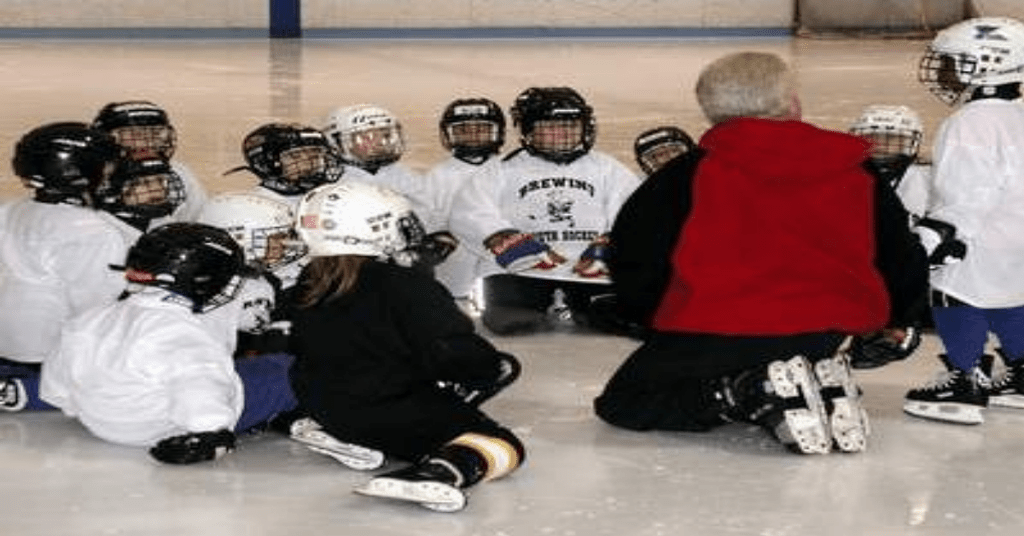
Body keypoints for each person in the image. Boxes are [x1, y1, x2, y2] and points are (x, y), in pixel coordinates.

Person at [595, 51, 889, 455]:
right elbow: (896, 249)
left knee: (626, 403)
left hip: (718, 326)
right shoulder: (854, 164)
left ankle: (749, 392)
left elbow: (634, 256)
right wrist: (894, 321)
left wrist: (654, 322)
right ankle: (809, 383)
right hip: (828, 329)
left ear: (711, 113)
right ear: (792, 104)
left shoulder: (684, 176)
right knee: (777, 347)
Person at [289, 181, 524, 512]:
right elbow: (451, 350)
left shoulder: (311, 278)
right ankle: (439, 471)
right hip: (386, 409)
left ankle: (346, 436)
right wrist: (486, 369)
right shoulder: (406, 285)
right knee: (502, 444)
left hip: (324, 404)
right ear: (373, 230)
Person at [40, 222, 298, 464]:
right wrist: (211, 433)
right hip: (163, 429)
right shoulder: (182, 333)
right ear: (199, 280)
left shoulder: (93, 318)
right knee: (289, 370)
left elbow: (57, 389)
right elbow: (198, 384)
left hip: (100, 423)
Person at [903, 16, 1024, 424]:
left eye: (955, 62)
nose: (947, 72)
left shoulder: (969, 122)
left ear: (988, 63)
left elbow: (968, 188)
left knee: (951, 295)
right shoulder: (1018, 114)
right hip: (1016, 237)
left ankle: (964, 378)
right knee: (1011, 298)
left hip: (980, 234)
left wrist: (943, 231)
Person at [449, 86, 640, 335]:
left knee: (615, 314)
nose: (560, 133)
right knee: (510, 319)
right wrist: (507, 242)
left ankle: (589, 303)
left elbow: (633, 211)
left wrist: (613, 245)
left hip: (589, 265)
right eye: (548, 127)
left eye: (570, 126)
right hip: (521, 266)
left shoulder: (607, 168)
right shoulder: (499, 170)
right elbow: (469, 212)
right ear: (527, 130)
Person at [0, 122, 126, 397]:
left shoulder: (11, 209)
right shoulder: (93, 231)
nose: (109, 175)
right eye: (103, 167)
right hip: (44, 353)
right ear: (73, 172)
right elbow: (94, 309)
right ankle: (23, 391)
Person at [844, 104, 933, 369]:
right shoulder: (843, 178)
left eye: (893, 140)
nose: (882, 147)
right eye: (873, 139)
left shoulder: (928, 179)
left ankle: (903, 320)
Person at [424, 97, 507, 304]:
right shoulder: (438, 176)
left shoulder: (509, 171)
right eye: (464, 130)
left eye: (481, 129)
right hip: (455, 263)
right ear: (449, 134)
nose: (473, 136)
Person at [91, 100, 208, 225]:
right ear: (107, 138)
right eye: (136, 134)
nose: (148, 142)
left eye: (155, 133)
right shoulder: (91, 175)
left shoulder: (180, 173)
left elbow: (198, 220)